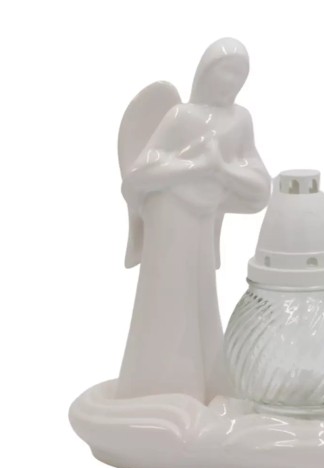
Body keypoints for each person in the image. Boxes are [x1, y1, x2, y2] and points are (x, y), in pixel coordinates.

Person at [115, 38, 271, 403]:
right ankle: (161, 386)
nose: (231, 82)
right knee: (169, 295)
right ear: (206, 71)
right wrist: (194, 166)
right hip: (169, 218)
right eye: (225, 71)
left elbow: (261, 187)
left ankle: (206, 383)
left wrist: (222, 170)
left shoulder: (240, 120)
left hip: (201, 221)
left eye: (239, 75)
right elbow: (138, 175)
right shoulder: (180, 117)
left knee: (199, 298)